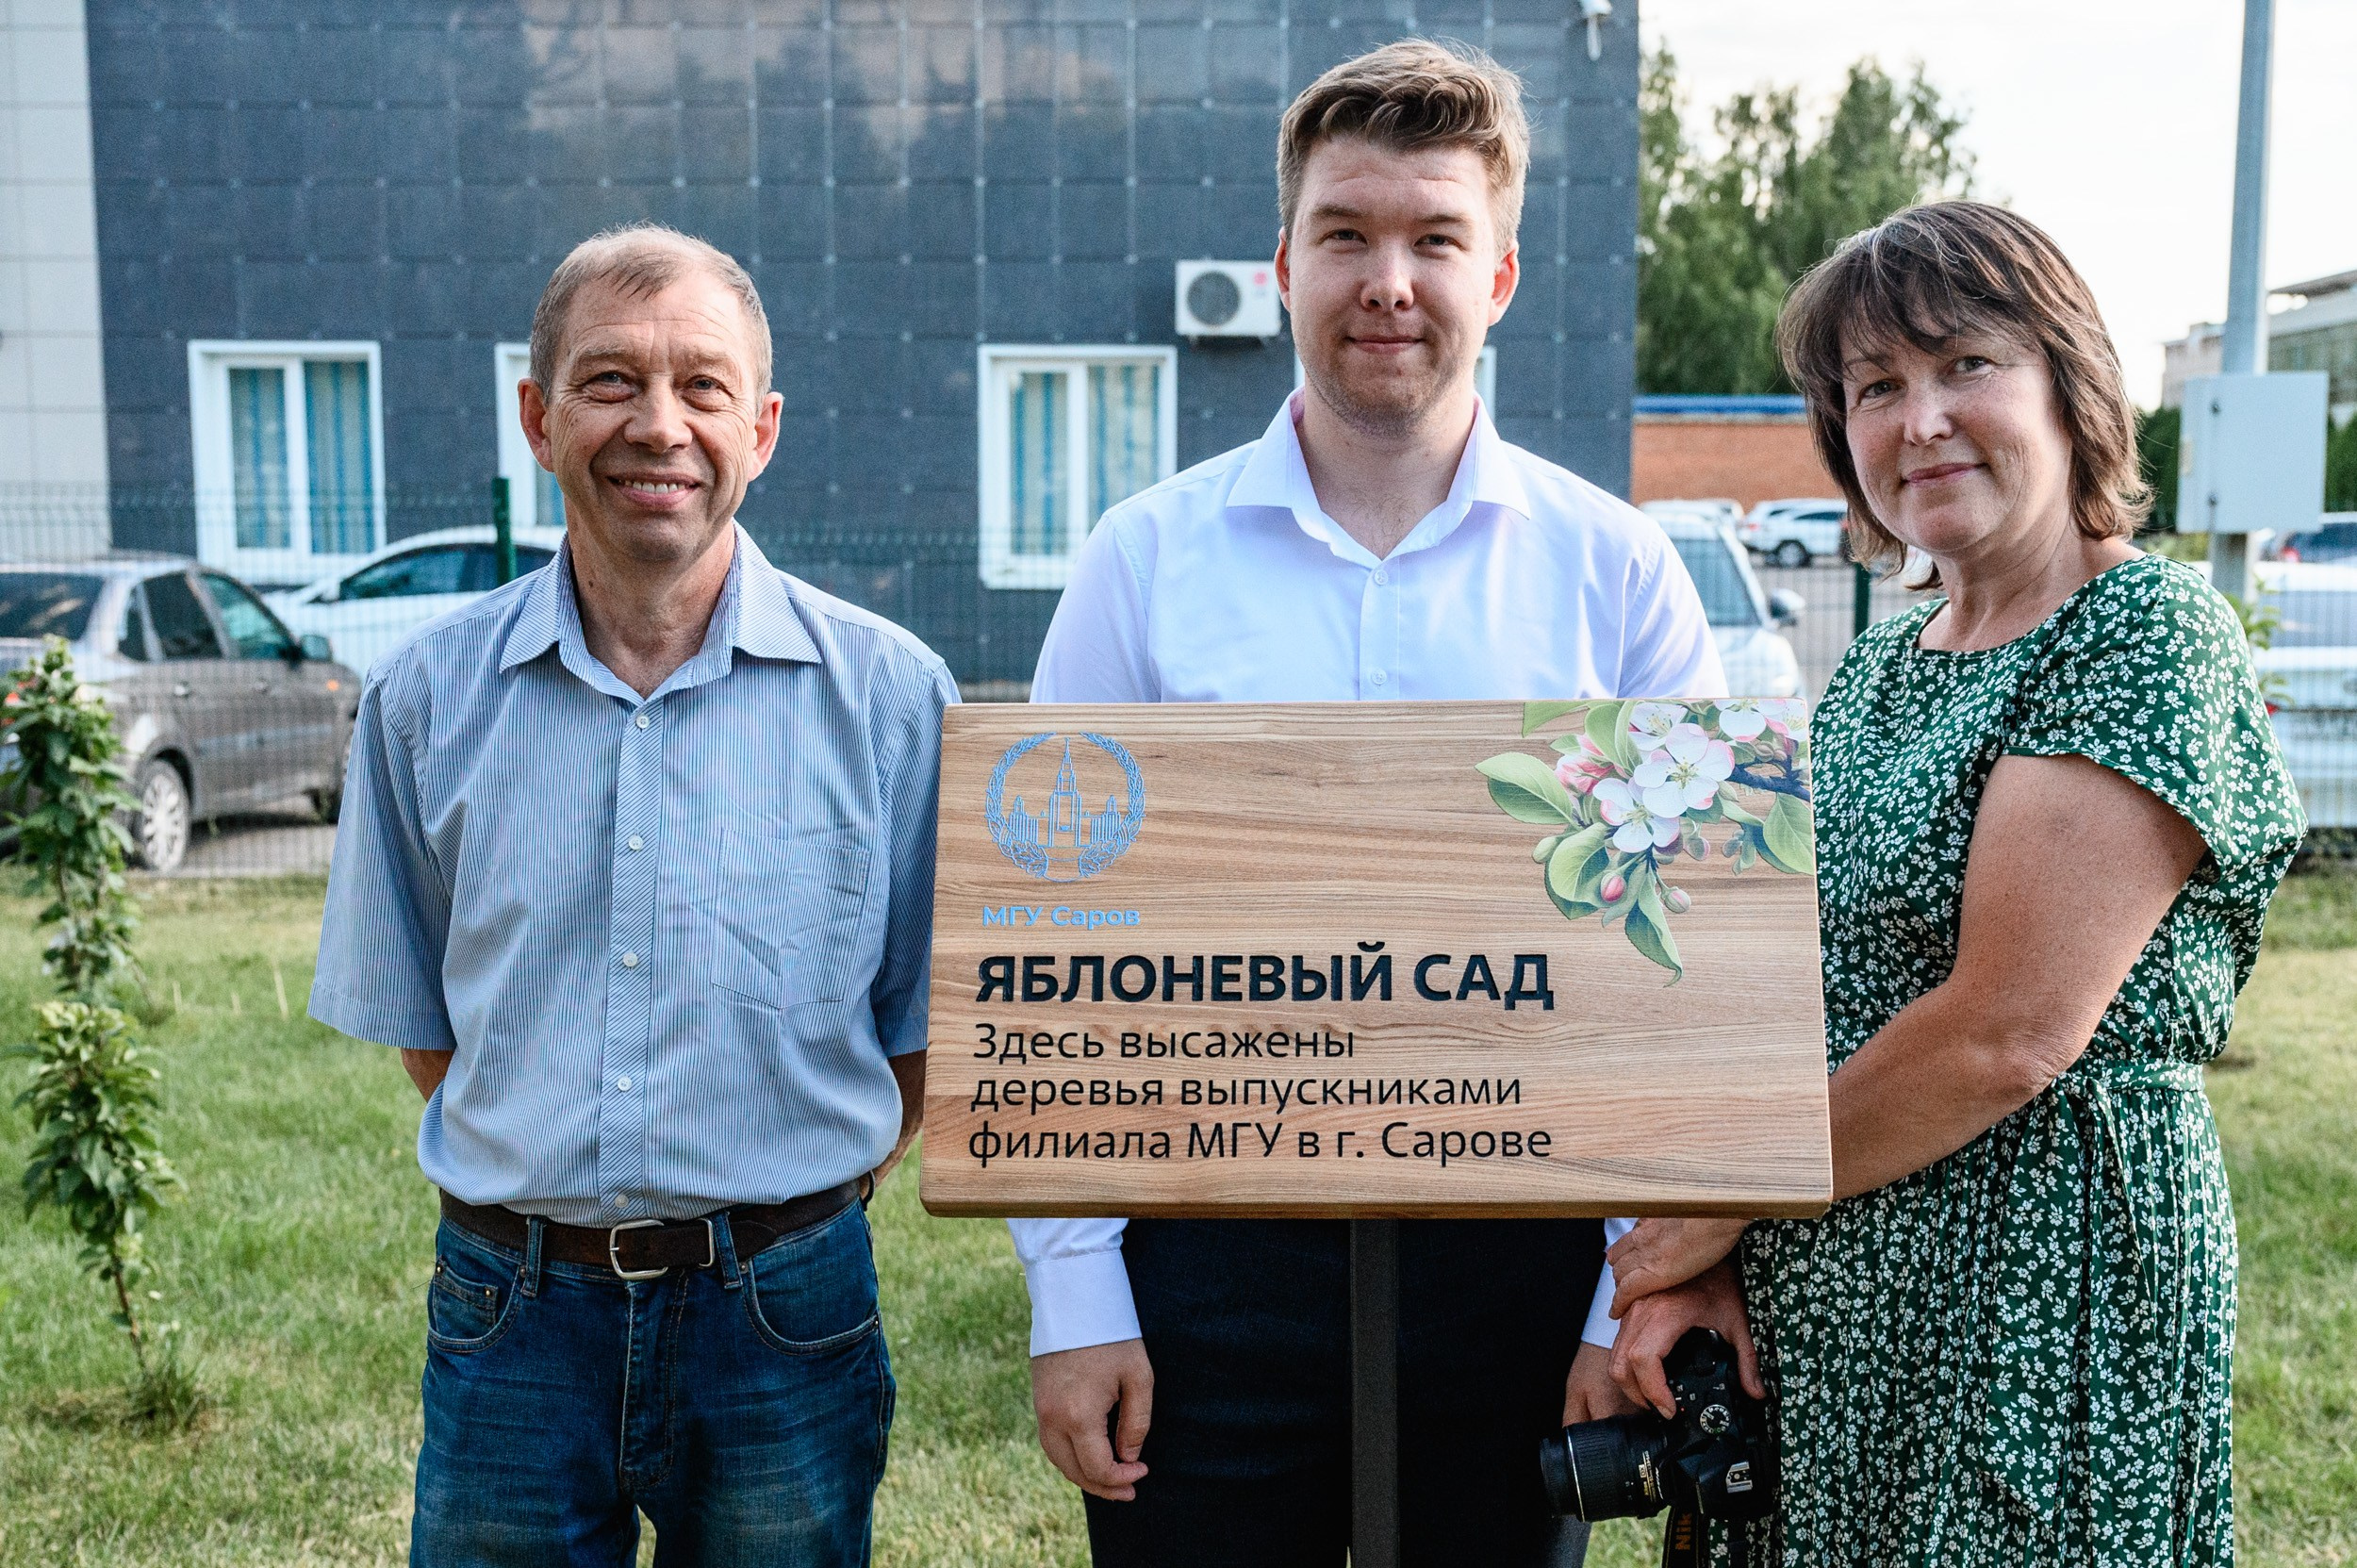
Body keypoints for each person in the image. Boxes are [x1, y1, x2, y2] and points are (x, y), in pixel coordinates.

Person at [1011, 41, 1725, 1567]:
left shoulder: (1618, 574)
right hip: (1205, 1257)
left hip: (1521, 1272)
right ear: (1282, 262)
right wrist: (1078, 1303)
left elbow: (1676, 981)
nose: (1387, 280)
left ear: (1505, 274)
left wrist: (1624, 1297)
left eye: (1435, 239)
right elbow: (1052, 955)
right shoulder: (1142, 561)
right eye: (1346, 234)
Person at [1601, 202, 2305, 1566]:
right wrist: (1721, 1267)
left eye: (1965, 366)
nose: (1918, 420)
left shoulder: (2143, 633)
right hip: (1836, 1279)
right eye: (1875, 387)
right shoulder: (1877, 669)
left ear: (2069, 385)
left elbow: (2005, 1034)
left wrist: (1722, 1203)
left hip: (2040, 1274)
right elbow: (1808, 995)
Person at [310, 223, 955, 1568]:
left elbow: (922, 1032)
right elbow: (432, 1027)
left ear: (761, 430)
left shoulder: (895, 703)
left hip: (788, 1306)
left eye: (702, 387)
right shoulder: (424, 701)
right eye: (610, 382)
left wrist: (765, 1205)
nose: (658, 425)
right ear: (538, 418)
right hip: (513, 1309)